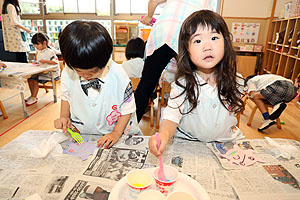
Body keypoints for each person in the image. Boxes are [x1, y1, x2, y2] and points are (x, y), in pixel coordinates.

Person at [148, 10, 245, 157]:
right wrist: (163, 134)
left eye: (214, 38)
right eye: (198, 41)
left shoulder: (237, 81)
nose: (207, 47)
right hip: (189, 144)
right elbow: (171, 116)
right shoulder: (182, 84)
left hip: (226, 144)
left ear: (225, 42)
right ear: (187, 49)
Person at [54, 21, 141, 149]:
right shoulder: (67, 72)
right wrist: (64, 116)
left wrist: (116, 133)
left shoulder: (118, 74)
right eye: (79, 71)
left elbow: (127, 108)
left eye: (94, 71)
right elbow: (66, 96)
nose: (87, 76)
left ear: (105, 60)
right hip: (84, 133)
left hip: (115, 132)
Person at [135, 0, 217, 122]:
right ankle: (199, 126)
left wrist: (149, 17)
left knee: (146, 84)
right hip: (188, 34)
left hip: (163, 31)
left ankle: (128, 128)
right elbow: (208, 20)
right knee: (195, 83)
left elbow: (153, 2)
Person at [25, 32, 60, 106]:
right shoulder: (39, 51)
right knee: (30, 79)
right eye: (34, 45)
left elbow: (56, 62)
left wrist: (45, 61)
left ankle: (34, 97)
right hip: (43, 72)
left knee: (34, 79)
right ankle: (32, 95)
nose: (35, 46)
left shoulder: (50, 52)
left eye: (37, 44)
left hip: (51, 73)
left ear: (44, 43)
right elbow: (40, 62)